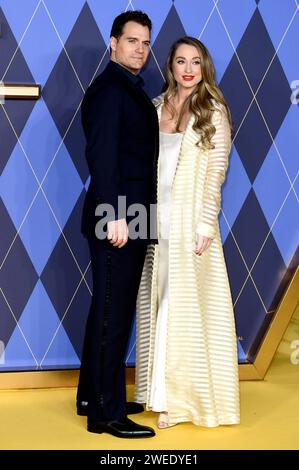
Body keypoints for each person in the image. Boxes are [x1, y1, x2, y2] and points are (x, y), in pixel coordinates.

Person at [135, 37, 240, 429]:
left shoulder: (213, 110)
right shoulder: (155, 107)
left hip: (189, 223)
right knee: (157, 306)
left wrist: (205, 224)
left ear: (205, 66)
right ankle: (157, 393)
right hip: (154, 221)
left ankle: (181, 402)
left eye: (196, 61)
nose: (189, 69)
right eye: (181, 61)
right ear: (171, 67)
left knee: (181, 311)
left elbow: (216, 173)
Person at [77, 11, 159, 438]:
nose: (140, 49)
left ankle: (93, 395)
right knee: (113, 312)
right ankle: (105, 414)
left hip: (133, 213)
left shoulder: (126, 87)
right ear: (113, 43)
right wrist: (115, 218)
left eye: (146, 43)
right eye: (132, 41)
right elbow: (102, 158)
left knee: (108, 309)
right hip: (121, 217)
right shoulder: (111, 90)